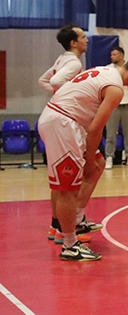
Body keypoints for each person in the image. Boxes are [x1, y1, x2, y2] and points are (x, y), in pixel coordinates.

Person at [38, 53, 128, 260]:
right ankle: (69, 244)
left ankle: (77, 218)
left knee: (99, 164)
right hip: (63, 123)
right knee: (67, 187)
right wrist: (88, 159)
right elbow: (95, 129)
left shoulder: (104, 70)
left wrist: (93, 160)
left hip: (65, 120)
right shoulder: (115, 88)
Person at [38, 24, 91, 244]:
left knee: (59, 180)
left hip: (56, 114)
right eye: (82, 36)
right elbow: (54, 81)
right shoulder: (73, 62)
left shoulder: (62, 59)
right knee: (92, 167)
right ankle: (72, 224)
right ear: (73, 42)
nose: (86, 39)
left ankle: (56, 225)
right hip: (65, 119)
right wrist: (71, 93)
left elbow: (43, 81)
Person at [103, 47, 128, 169]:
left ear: (122, 55)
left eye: (114, 54)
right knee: (111, 133)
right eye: (111, 54)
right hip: (113, 104)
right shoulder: (108, 69)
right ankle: (109, 157)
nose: (112, 57)